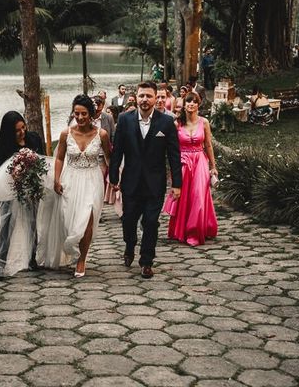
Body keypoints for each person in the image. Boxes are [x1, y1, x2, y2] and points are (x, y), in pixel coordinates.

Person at [109, 81, 182, 279]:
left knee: (151, 222)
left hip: (155, 183)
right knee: (128, 221)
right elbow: (117, 151)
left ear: (157, 98)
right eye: (141, 96)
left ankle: (146, 261)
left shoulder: (166, 123)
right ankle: (130, 244)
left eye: (149, 96)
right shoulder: (124, 120)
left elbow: (174, 155)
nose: (145, 100)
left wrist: (177, 184)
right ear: (137, 97)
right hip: (131, 182)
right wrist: (113, 176)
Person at [54, 94, 112, 278]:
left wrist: (115, 180)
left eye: (84, 114)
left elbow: (110, 158)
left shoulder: (101, 135)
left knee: (88, 219)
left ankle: (82, 259)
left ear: (92, 114)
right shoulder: (66, 134)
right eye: (76, 113)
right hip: (70, 179)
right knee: (69, 220)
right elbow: (60, 157)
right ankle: (71, 250)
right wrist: (56, 179)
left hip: (92, 180)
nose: (79, 118)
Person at [0, 111, 45, 279]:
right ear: (10, 131)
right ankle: (0, 265)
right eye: (18, 130)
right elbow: (0, 171)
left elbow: (42, 160)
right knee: (6, 225)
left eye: (23, 127)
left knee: (31, 223)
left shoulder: (33, 139)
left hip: (30, 187)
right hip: (10, 188)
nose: (22, 132)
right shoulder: (2, 145)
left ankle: (32, 259)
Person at [163, 92, 218, 246]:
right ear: (184, 105)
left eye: (194, 102)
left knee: (199, 195)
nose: (191, 104)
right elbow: (171, 146)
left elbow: (208, 145)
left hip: (200, 159)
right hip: (184, 161)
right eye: (188, 102)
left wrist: (213, 166)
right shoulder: (176, 124)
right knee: (184, 196)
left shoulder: (204, 122)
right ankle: (181, 229)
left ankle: (195, 231)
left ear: (198, 105)